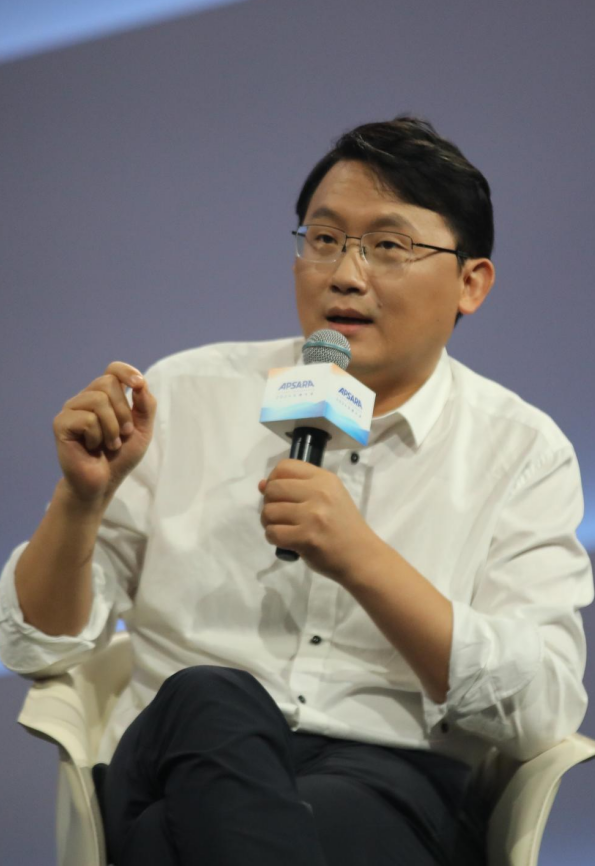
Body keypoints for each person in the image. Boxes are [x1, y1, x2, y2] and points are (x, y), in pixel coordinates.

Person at [0, 116, 592, 866]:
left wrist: (362, 560)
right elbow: (34, 646)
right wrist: (79, 501)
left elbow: (542, 708)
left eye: (388, 245)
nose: (345, 274)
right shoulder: (186, 395)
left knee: (174, 839)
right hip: (175, 752)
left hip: (383, 784)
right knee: (209, 695)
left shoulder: (521, 452)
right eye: (324, 239)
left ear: (470, 283)